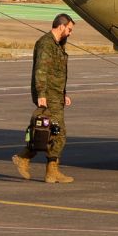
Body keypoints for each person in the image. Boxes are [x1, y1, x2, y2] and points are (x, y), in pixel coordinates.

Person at [14, 13, 76, 183]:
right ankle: (26, 157)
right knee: (58, 133)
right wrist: (41, 94)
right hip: (48, 96)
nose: (70, 33)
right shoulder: (46, 44)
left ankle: (49, 170)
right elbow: (41, 70)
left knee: (50, 132)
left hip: (55, 95)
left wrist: (63, 94)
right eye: (69, 29)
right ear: (61, 26)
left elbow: (56, 73)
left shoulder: (57, 45)